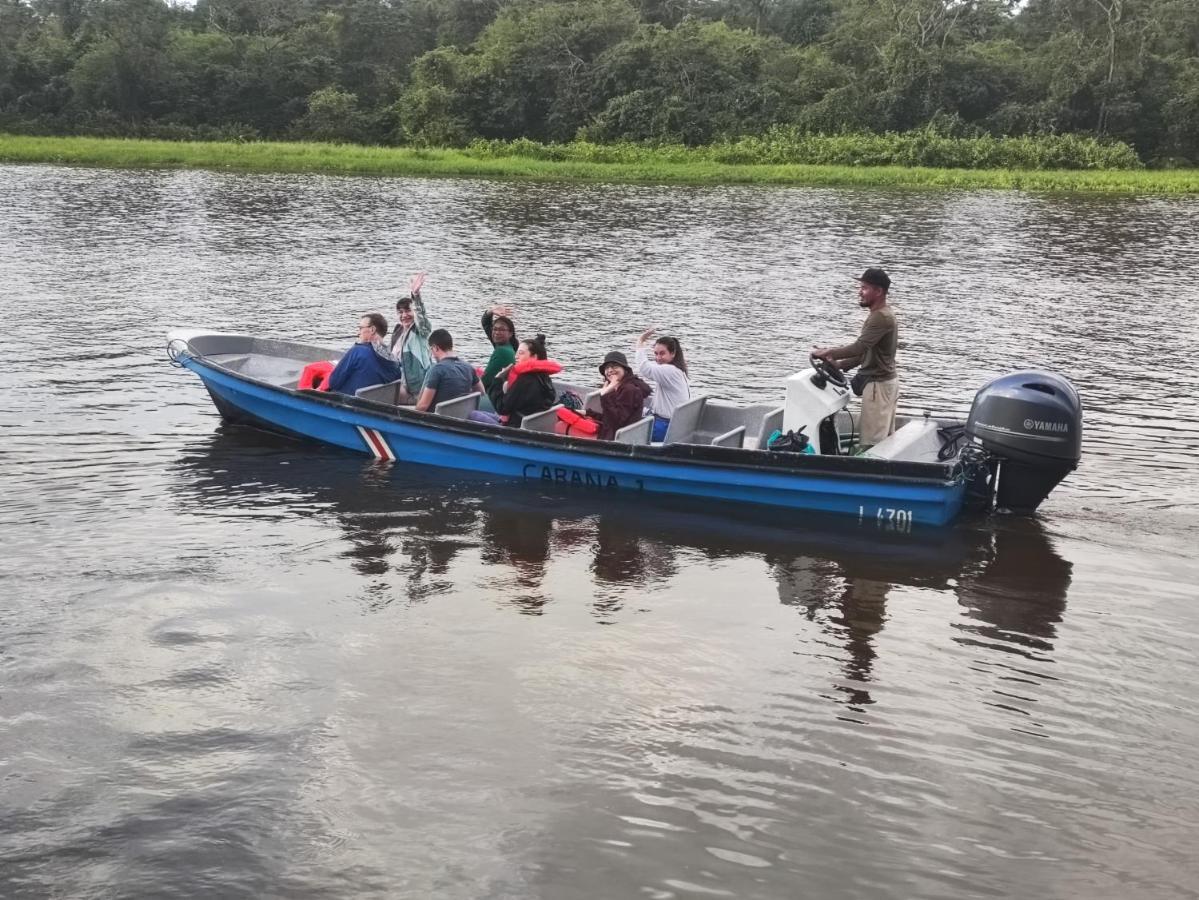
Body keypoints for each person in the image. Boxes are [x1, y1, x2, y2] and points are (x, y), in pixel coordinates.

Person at [813, 267, 899, 449]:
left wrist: (827, 352)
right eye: (860, 287)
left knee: (872, 445)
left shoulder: (880, 317)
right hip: (882, 386)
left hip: (878, 387)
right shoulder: (881, 315)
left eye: (865, 288)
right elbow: (866, 353)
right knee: (879, 440)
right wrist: (840, 364)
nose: (860, 292)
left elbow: (859, 347)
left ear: (879, 291)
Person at [470, 334, 563, 427]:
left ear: (534, 357)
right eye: (517, 352)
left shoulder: (525, 380)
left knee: (474, 415)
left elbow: (502, 408)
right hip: (531, 424)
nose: (516, 356)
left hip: (514, 428)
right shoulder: (544, 378)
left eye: (521, 353)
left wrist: (497, 380)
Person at [326, 312, 403, 396]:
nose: (358, 333)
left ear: (372, 330)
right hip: (375, 404)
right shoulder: (394, 361)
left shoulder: (358, 351)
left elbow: (333, 382)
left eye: (360, 328)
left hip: (347, 403)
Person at [634, 329, 691, 441]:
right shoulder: (678, 370)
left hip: (663, 426)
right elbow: (651, 366)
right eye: (655, 353)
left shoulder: (670, 371)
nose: (658, 358)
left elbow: (644, 368)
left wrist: (640, 341)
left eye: (662, 353)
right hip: (669, 423)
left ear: (673, 353)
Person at [389, 272, 433, 403]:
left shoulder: (420, 332)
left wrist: (416, 296)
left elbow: (422, 319)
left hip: (417, 391)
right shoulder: (398, 331)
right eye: (400, 312)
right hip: (400, 384)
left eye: (408, 311)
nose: (404, 315)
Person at [416, 328, 482, 412]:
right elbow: (481, 392)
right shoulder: (468, 367)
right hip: (461, 415)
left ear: (435, 348)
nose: (432, 354)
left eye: (431, 350)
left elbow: (422, 406)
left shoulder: (436, 369)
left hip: (436, 419)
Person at [595, 351, 653, 441]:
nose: (610, 370)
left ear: (625, 369)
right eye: (607, 368)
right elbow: (608, 417)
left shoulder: (629, 390)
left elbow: (617, 422)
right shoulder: (616, 388)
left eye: (615, 366)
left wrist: (604, 396)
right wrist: (587, 413)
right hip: (611, 435)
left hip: (617, 441)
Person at [480, 306, 518, 394]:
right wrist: (492, 311)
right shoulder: (508, 345)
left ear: (510, 333)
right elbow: (486, 324)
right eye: (495, 329)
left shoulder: (501, 351)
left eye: (502, 330)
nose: (497, 332)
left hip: (496, 396)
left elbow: (484, 382)